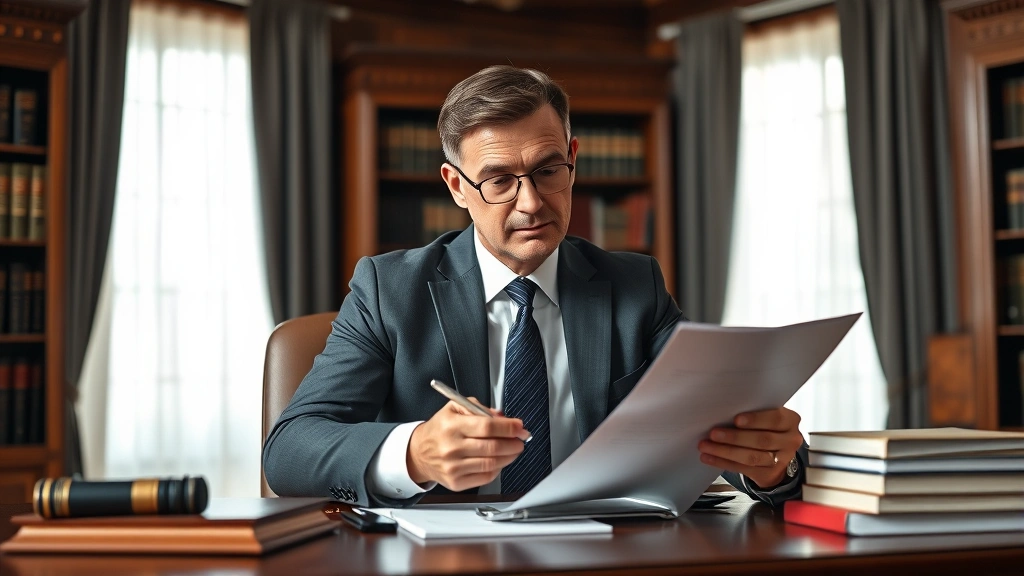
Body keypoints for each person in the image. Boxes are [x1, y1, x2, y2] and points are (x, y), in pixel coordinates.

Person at [263, 65, 807, 508]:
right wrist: (416, 453)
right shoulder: (389, 290)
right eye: (499, 180)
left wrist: (769, 465)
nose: (531, 203)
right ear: (457, 186)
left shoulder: (635, 286)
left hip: (605, 557)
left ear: (572, 159)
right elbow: (289, 451)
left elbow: (712, 425)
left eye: (548, 171)